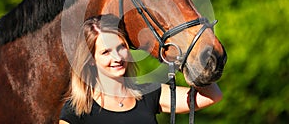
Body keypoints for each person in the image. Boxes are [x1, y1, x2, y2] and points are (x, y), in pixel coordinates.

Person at [59, 14, 222, 124]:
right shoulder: (75, 113)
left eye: (121, 47)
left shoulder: (148, 93)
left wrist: (189, 59)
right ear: (90, 60)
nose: (117, 57)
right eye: (106, 52)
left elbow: (211, 96)